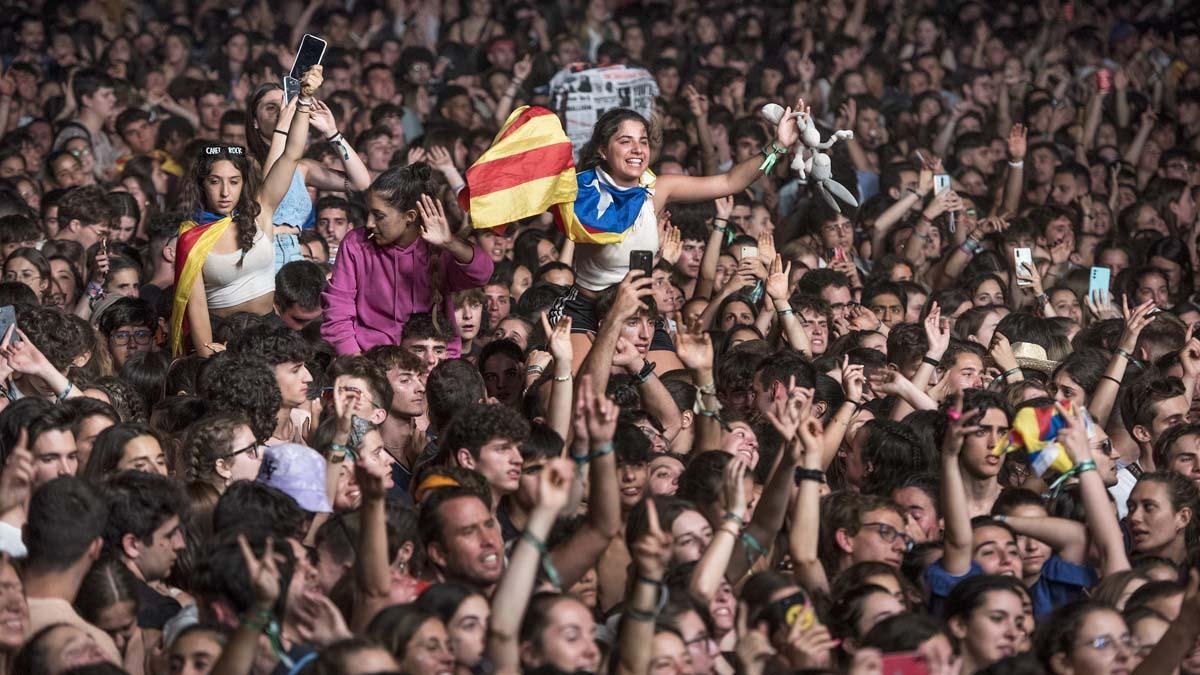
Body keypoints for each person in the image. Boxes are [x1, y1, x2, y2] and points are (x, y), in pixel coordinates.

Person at [169, 65, 325, 357]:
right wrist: (208, 354)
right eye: (215, 182)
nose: (225, 192)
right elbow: (197, 307)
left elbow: (291, 154)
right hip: (223, 336)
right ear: (202, 185)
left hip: (270, 330)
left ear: (245, 184)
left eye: (234, 182)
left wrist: (304, 100)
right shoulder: (192, 237)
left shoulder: (262, 212)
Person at [321, 162, 493, 356]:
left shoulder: (438, 246)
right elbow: (338, 311)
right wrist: (358, 366)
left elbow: (482, 274)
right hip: (374, 361)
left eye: (378, 216)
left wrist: (449, 242)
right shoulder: (356, 243)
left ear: (409, 217)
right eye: (369, 213)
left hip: (435, 361)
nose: (369, 223)